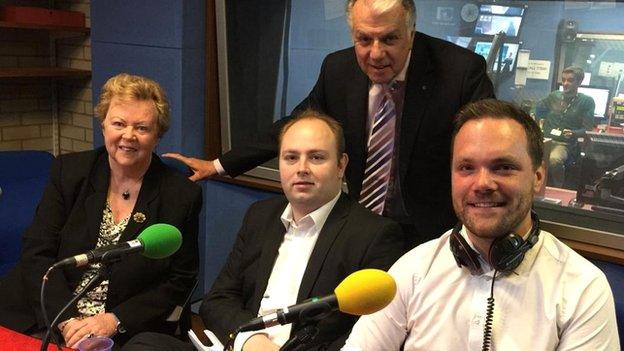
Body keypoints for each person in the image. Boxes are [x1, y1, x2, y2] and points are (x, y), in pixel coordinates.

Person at [164, 0, 494, 249]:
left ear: (411, 33)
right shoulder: (339, 69)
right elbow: (297, 125)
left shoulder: (460, 72)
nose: (375, 53)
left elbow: (488, 148)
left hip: (432, 233)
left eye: (389, 39)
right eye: (364, 40)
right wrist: (219, 164)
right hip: (360, 224)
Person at [342, 99, 620, 350]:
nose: (482, 184)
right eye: (466, 168)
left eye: (503, 167)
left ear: (538, 177)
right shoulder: (412, 271)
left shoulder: (583, 288)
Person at [121, 110, 405, 351]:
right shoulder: (261, 216)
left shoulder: (375, 236)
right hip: (244, 344)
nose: (302, 168)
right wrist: (250, 339)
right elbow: (218, 301)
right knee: (145, 345)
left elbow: (364, 336)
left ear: (341, 165)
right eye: (291, 158)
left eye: (317, 158)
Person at [0, 73, 203, 348]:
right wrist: (67, 320)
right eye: (119, 123)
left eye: (142, 128)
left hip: (120, 326)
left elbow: (179, 280)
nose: (128, 136)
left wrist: (115, 320)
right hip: (48, 311)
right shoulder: (70, 172)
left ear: (158, 135)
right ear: (104, 125)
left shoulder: (180, 195)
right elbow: (38, 252)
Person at [535, 66, 595, 187]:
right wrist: (536, 121)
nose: (565, 83)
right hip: (545, 140)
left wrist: (574, 133)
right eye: (563, 80)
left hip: (564, 144)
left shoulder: (586, 101)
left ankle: (558, 188)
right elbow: (537, 109)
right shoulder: (554, 96)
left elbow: (587, 129)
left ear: (579, 82)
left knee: (554, 160)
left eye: (570, 80)